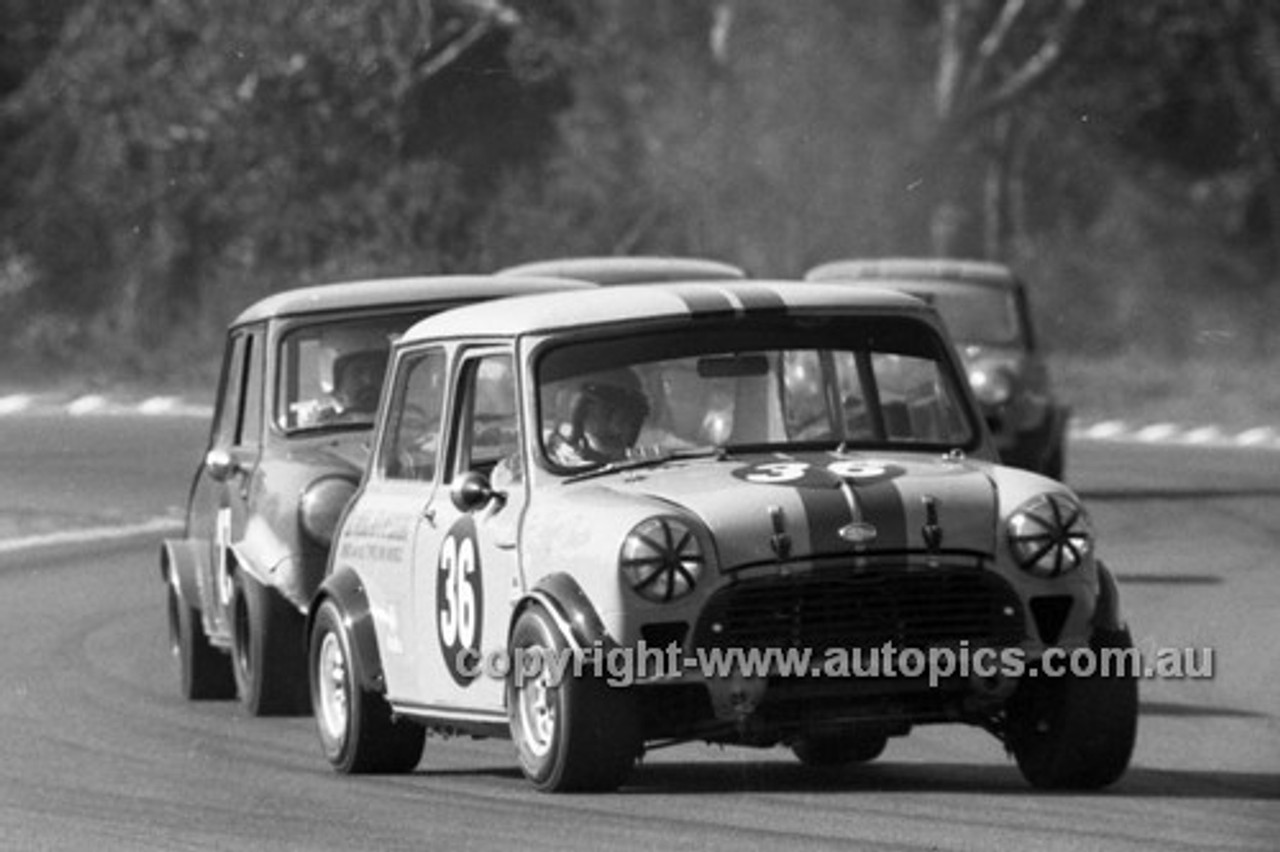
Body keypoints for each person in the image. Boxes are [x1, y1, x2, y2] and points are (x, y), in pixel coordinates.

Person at [547, 369, 650, 466]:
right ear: (582, 414)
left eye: (629, 414)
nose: (617, 424)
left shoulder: (651, 454)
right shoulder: (561, 459)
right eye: (607, 411)